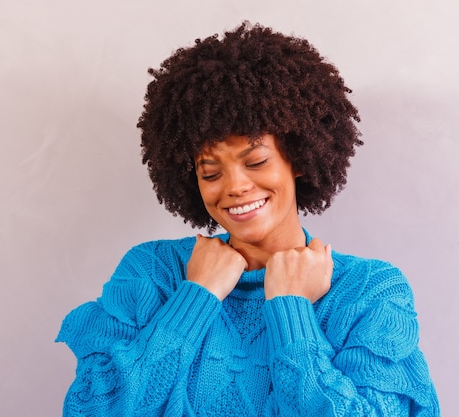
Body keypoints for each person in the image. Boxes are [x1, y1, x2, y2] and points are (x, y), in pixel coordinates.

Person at [56, 22, 440, 416]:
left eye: (255, 161)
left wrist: (291, 307)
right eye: (210, 172)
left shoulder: (368, 292)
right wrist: (195, 297)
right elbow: (93, 408)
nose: (234, 186)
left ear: (300, 159)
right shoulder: (153, 273)